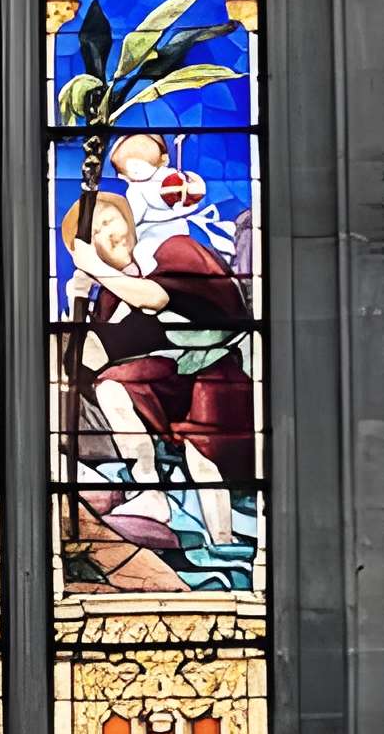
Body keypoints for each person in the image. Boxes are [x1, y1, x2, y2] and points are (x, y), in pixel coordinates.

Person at [61, 188, 256, 575]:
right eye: (96, 232)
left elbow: (158, 299)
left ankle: (225, 548)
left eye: (110, 219)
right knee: (113, 387)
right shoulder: (110, 301)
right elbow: (90, 362)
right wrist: (74, 310)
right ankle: (149, 490)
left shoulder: (174, 250)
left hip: (215, 377)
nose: (108, 232)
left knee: (203, 459)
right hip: (167, 391)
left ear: (129, 219)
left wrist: (100, 273)